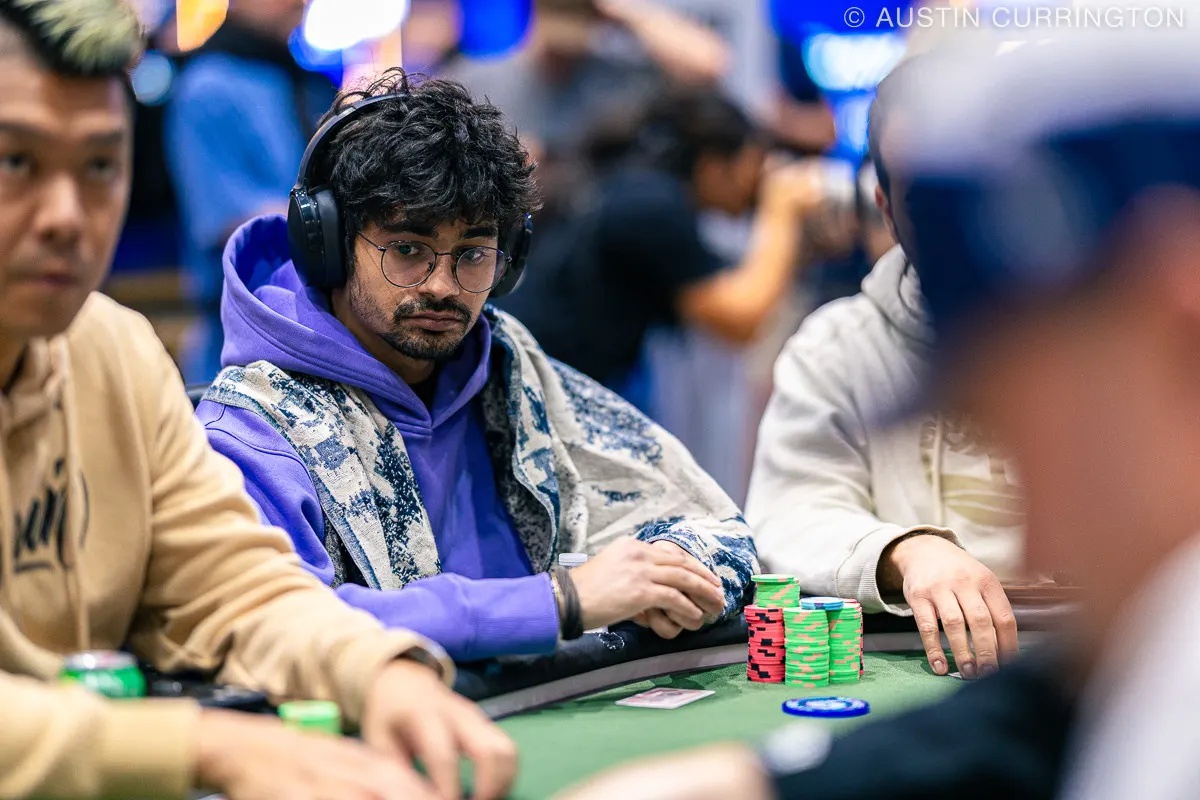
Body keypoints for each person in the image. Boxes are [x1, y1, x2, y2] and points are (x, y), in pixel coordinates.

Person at [555, 27, 1200, 800]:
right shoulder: (839, 344)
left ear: (1180, 325)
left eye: (1044, 443)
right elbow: (1038, 724)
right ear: (885, 206)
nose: (1039, 543)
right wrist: (769, 780)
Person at [0, 3, 516, 799]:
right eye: (16, 162)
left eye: (99, 166)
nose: (67, 216)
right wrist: (203, 746)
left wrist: (378, 672)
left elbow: (228, 584)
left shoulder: (117, 354)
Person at [196, 68, 759, 664]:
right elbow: (272, 622)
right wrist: (558, 602)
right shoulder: (253, 427)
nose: (442, 286)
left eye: (472, 254)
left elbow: (714, 525)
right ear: (328, 246)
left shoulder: (509, 368)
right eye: (407, 249)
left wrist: (672, 574)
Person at [745, 62, 1022, 679]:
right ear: (887, 210)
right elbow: (788, 514)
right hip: (922, 655)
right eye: (926, 197)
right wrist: (906, 551)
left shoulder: (1122, 331)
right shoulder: (835, 347)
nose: (959, 216)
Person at [498, 86, 822, 403]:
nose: (757, 182)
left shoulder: (634, 183)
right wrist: (782, 210)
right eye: (753, 164)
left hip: (542, 370)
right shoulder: (653, 205)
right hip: (533, 381)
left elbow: (736, 279)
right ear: (713, 166)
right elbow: (740, 320)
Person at [164, 0, 335, 383]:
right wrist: (347, 215)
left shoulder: (298, 79)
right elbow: (229, 219)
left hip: (318, 328)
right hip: (243, 340)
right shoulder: (208, 84)